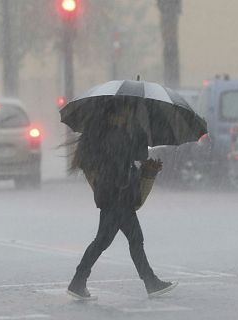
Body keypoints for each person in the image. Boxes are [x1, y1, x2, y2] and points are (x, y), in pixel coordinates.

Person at [67, 100, 178, 300]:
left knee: (115, 241)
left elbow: (130, 160)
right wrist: (136, 130)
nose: (126, 115)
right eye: (125, 112)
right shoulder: (116, 136)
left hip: (115, 197)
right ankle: (150, 282)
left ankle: (79, 281)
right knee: (119, 241)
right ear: (114, 115)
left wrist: (144, 167)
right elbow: (135, 155)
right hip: (118, 197)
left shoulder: (109, 136)